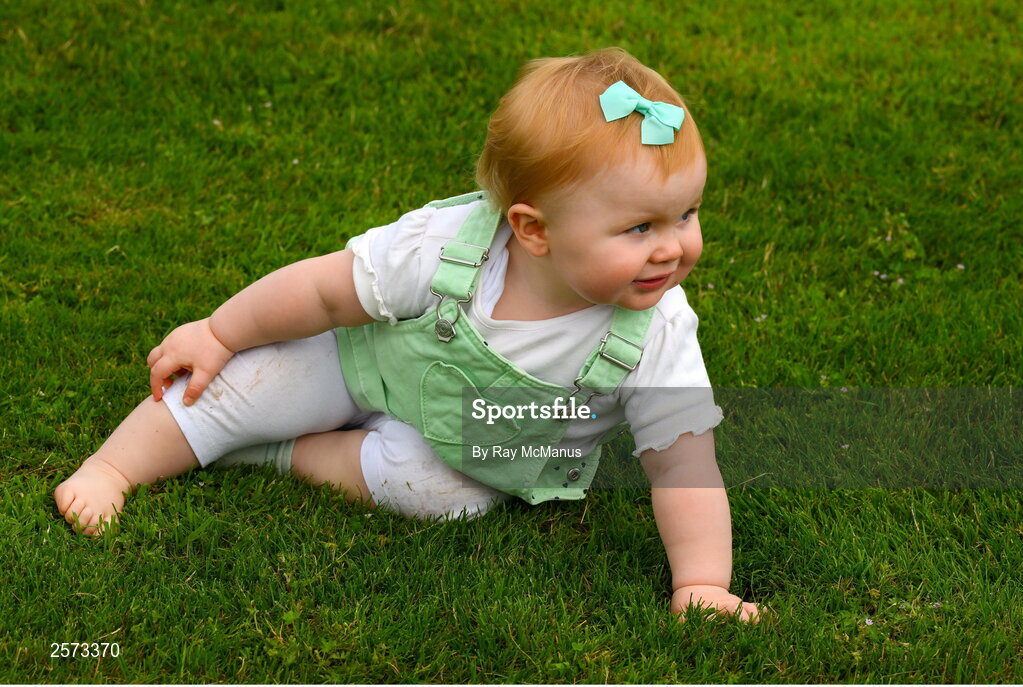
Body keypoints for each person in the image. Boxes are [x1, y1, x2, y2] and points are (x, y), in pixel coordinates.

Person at [54, 48, 760, 622]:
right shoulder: (453, 245)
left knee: (441, 497)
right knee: (245, 383)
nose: (673, 248)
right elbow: (326, 289)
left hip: (475, 453)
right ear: (532, 229)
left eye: (685, 214)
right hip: (367, 367)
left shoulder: (658, 331)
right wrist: (217, 329)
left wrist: (700, 581)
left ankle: (288, 453)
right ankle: (115, 466)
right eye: (640, 227)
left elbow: (682, 464)